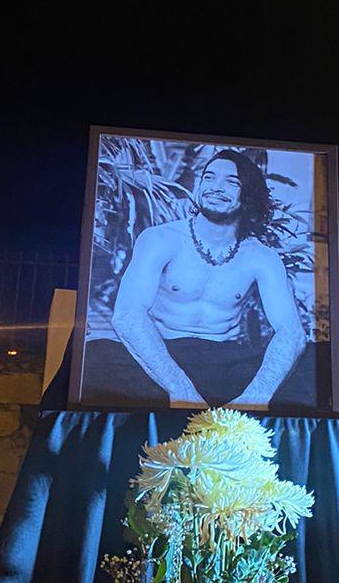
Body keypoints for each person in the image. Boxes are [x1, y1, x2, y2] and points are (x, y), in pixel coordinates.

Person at [81, 150, 314, 409]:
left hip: (221, 362)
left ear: (249, 196)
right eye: (209, 177)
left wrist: (255, 398)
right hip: (160, 356)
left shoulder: (262, 257)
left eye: (231, 182)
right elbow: (127, 315)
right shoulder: (160, 239)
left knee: (314, 362)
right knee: (94, 357)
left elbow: (291, 332)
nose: (216, 187)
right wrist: (180, 390)